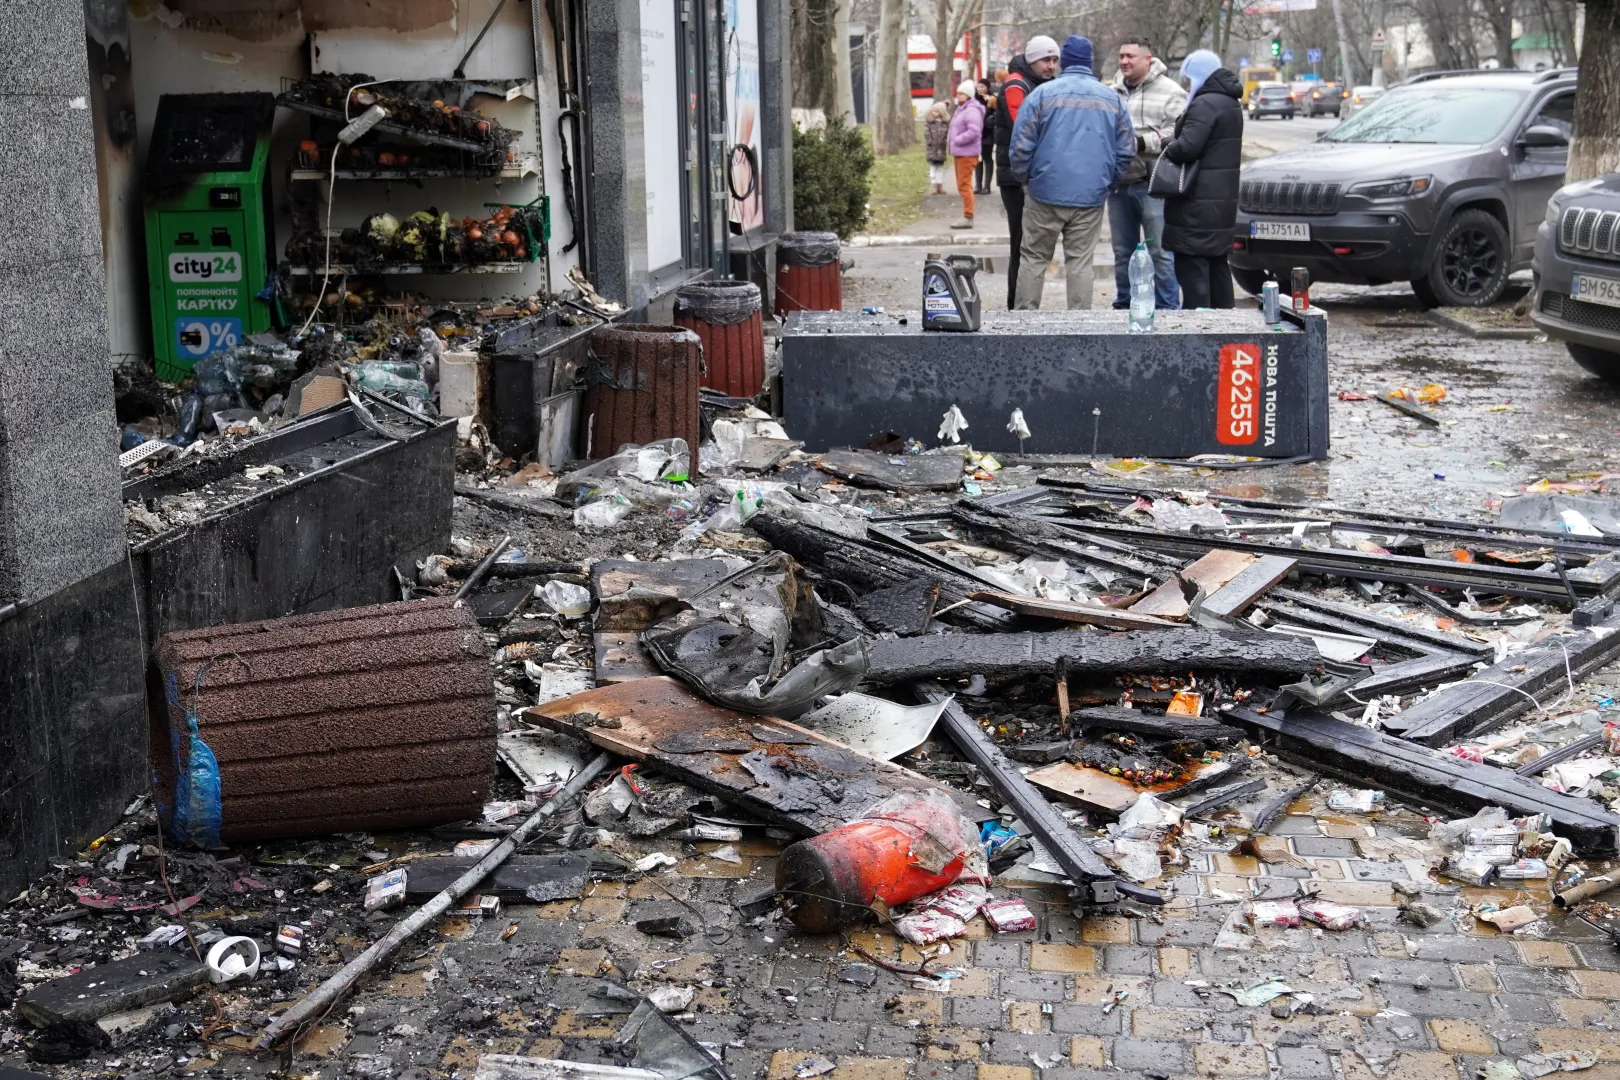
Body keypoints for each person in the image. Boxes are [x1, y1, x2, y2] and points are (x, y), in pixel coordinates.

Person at [1007, 35, 1135, 309]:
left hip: (1044, 192)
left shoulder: (1041, 95)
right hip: (1090, 196)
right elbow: (1126, 149)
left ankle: (1023, 325)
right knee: (1080, 263)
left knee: (1033, 259)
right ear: (1090, 63)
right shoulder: (1112, 98)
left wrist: (1026, 180)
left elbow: (1020, 145)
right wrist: (1108, 182)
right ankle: (1079, 328)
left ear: (1064, 62)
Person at [1160, 50, 1244, 309]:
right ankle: (1224, 329)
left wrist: (1166, 143)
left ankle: (1198, 335)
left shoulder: (1204, 104)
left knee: (1193, 272)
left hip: (1196, 205)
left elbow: (1187, 147)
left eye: (1188, 78)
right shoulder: (1230, 102)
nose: (1186, 84)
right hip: (1220, 204)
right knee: (1218, 268)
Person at [1108, 37, 1183, 311]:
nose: (1124, 61)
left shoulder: (1170, 91)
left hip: (1153, 185)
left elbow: (1179, 131)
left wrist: (1142, 142)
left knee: (1160, 253)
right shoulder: (1111, 92)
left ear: (1147, 59)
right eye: (1121, 56)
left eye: (1131, 56)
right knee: (1122, 253)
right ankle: (1125, 307)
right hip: (1118, 185)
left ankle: (1166, 309)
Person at [995, 36, 1059, 307]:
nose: (1051, 66)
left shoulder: (1039, 83)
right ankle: (1016, 307)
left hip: (1030, 173)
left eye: (1055, 60)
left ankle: (1022, 304)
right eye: (1046, 60)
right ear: (1032, 60)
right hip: (1016, 176)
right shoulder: (1016, 85)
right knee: (1022, 244)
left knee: (1029, 244)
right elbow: (1022, 125)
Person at [947, 80, 985, 229]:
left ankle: (968, 216)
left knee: (964, 185)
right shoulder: (962, 109)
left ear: (968, 95)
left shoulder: (971, 110)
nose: (957, 96)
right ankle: (967, 214)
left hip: (966, 153)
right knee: (962, 184)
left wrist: (957, 140)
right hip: (960, 152)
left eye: (960, 93)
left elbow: (974, 131)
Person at [974, 78, 998, 193]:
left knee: (987, 158)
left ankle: (987, 186)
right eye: (978, 86)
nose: (980, 89)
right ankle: (978, 185)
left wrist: (990, 104)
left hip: (988, 133)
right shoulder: (974, 100)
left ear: (987, 88)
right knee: (978, 159)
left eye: (982, 86)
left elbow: (999, 113)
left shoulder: (993, 99)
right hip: (976, 133)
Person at [924, 100, 950, 196]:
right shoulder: (929, 124)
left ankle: (940, 185)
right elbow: (927, 134)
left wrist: (945, 142)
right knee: (933, 168)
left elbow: (947, 134)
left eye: (937, 111)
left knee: (940, 168)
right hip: (932, 149)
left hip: (941, 149)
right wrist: (930, 142)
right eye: (933, 111)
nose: (934, 113)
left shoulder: (945, 124)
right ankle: (933, 185)